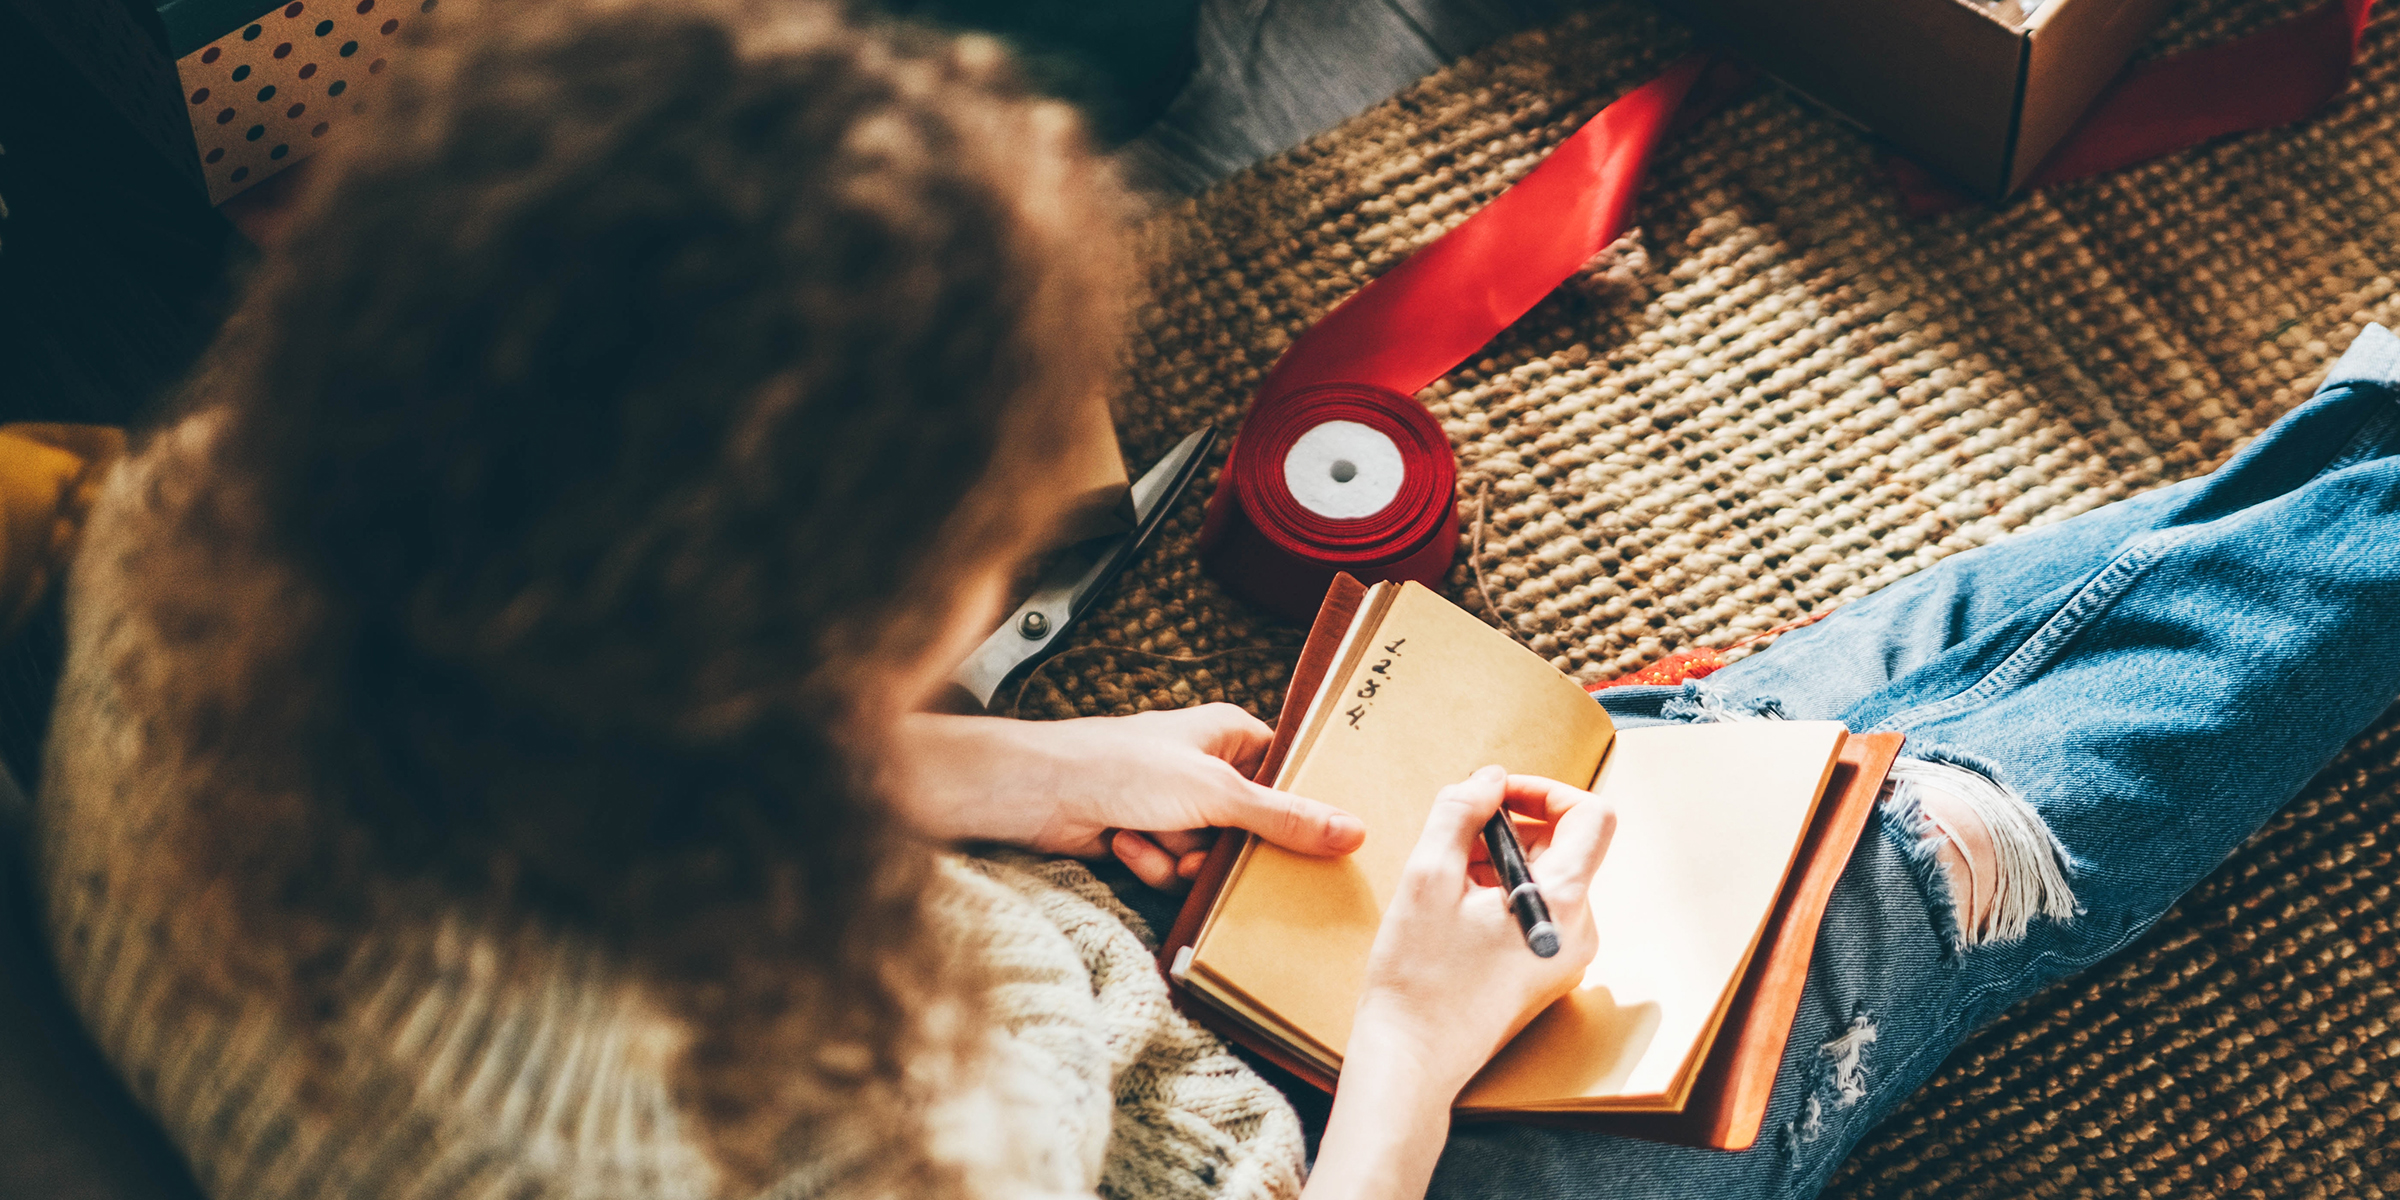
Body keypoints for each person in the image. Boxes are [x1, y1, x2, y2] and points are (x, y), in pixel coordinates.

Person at [32, 1, 2400, 1198]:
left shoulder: (221, 525)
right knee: (1935, 836)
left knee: (1776, 751)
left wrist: (1031, 772)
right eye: (966, 586)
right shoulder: (759, 1139)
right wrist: (1404, 1056)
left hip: (1062, 1012)